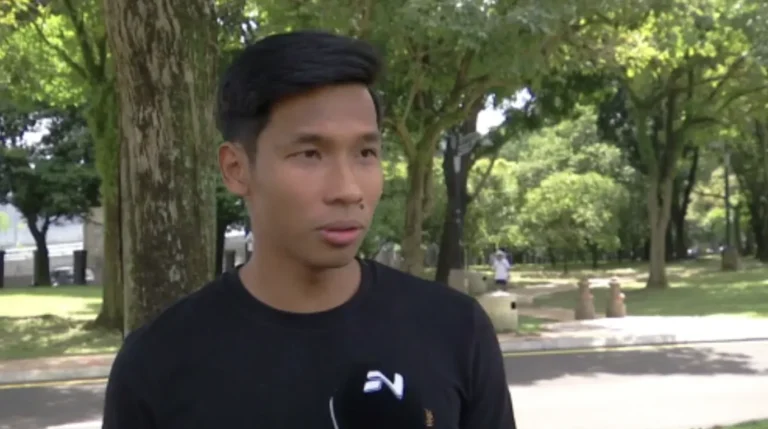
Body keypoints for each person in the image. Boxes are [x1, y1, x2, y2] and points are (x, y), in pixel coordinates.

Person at [102, 30, 516, 429]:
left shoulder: (456, 331)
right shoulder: (155, 363)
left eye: (366, 152)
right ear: (236, 168)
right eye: (310, 154)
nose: (348, 190)